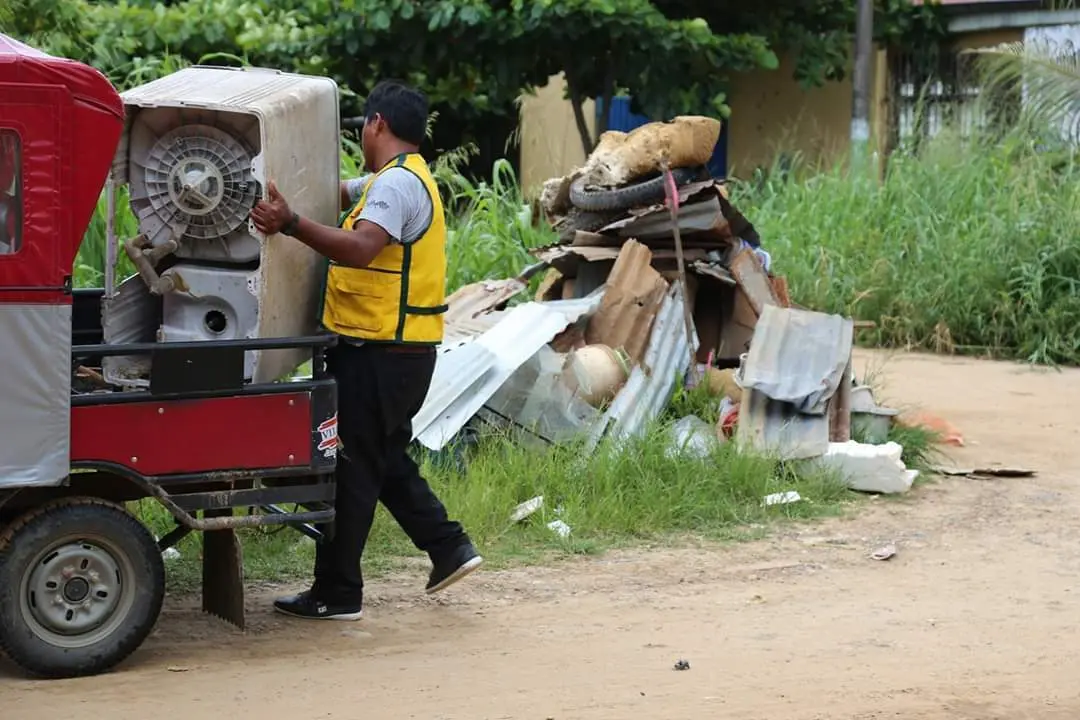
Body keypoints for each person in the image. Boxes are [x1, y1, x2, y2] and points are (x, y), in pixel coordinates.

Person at [249, 80, 482, 621]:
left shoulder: (396, 187)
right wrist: (285, 190)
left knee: (351, 467)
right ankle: (450, 548)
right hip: (398, 351)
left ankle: (338, 591)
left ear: (376, 123)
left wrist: (291, 225)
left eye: (362, 127)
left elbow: (361, 247)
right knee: (382, 458)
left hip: (383, 352)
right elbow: (341, 193)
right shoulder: (397, 179)